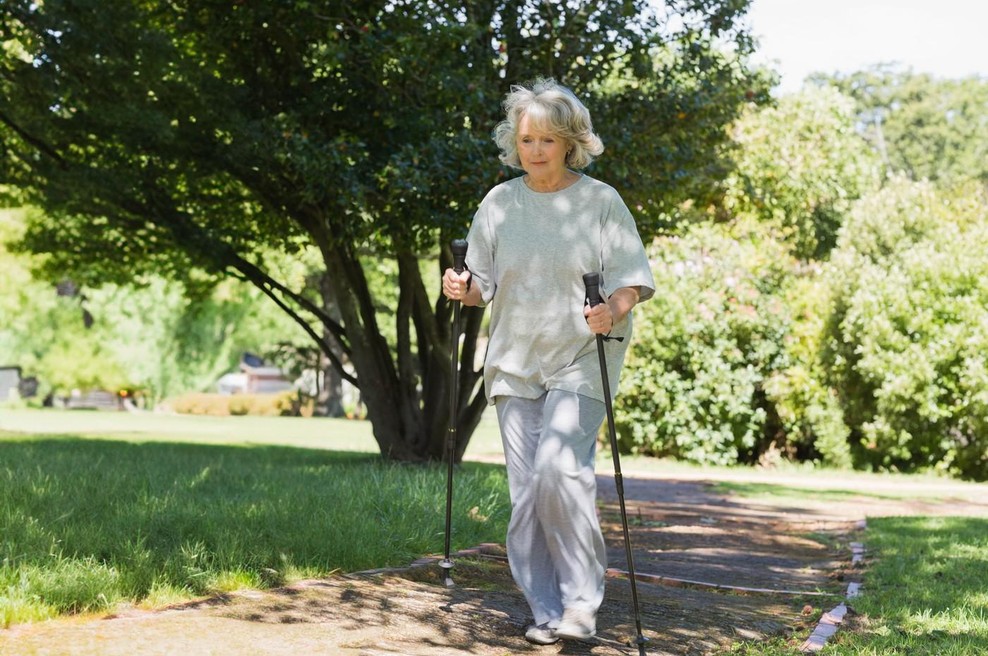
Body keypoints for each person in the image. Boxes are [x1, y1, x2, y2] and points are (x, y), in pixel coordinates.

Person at [442, 78, 655, 645]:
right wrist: (459, 287)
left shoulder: (600, 201)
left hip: (584, 356)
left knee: (559, 470)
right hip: (515, 359)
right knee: (529, 490)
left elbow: (633, 280)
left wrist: (613, 308)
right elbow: (478, 286)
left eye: (547, 140)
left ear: (569, 142)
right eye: (527, 139)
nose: (535, 150)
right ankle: (544, 606)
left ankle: (581, 606)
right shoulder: (499, 203)